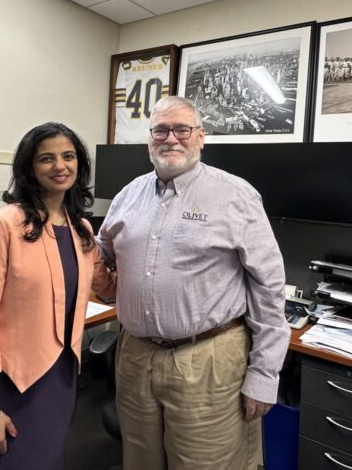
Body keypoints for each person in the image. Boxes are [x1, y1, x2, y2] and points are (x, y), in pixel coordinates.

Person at [97, 96, 289, 470]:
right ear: (149, 139)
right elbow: (100, 257)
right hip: (135, 357)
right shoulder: (127, 195)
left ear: (200, 137)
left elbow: (269, 287)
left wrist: (265, 376)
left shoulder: (236, 195)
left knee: (204, 463)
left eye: (182, 129)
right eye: (160, 130)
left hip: (208, 360)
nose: (171, 138)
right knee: (140, 462)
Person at [0, 122, 115, 469]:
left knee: (48, 458)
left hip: (61, 376)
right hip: (12, 380)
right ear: (29, 167)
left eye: (68, 156)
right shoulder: (3, 224)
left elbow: (108, 284)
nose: (60, 166)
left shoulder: (82, 229)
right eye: (47, 158)